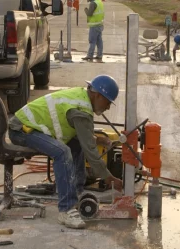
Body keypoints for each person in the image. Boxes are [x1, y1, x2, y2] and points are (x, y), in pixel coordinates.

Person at [8, 75, 123, 229]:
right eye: (108, 102)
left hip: (32, 128)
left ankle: (76, 192)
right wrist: (108, 177)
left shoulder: (82, 97)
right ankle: (66, 210)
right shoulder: (81, 111)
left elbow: (83, 137)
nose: (108, 107)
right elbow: (91, 152)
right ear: (97, 95)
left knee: (76, 144)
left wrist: (98, 140)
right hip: (21, 130)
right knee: (62, 152)